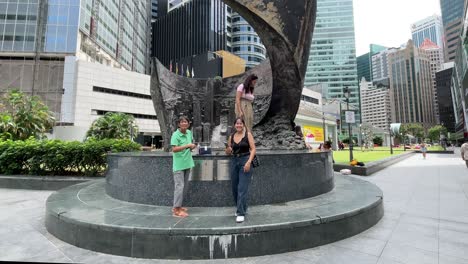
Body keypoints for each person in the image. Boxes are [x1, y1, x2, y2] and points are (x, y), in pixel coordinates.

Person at [225, 118, 256, 223]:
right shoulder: (232, 136)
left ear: (243, 125)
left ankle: (240, 212)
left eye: (240, 123)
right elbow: (228, 151)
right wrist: (228, 150)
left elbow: (253, 149)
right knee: (234, 187)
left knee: (242, 188)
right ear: (234, 125)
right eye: (237, 124)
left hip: (245, 161)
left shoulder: (248, 134)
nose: (238, 125)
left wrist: (248, 162)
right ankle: (242, 207)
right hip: (234, 161)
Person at [170, 116, 197, 218]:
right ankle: (176, 210)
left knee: (183, 186)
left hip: (187, 163)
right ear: (179, 124)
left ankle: (178, 206)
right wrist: (187, 146)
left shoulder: (189, 133)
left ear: (188, 124)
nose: (184, 123)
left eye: (186, 122)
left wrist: (192, 146)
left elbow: (189, 147)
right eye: (182, 122)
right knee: (179, 187)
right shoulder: (175, 135)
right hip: (179, 165)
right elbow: (174, 149)